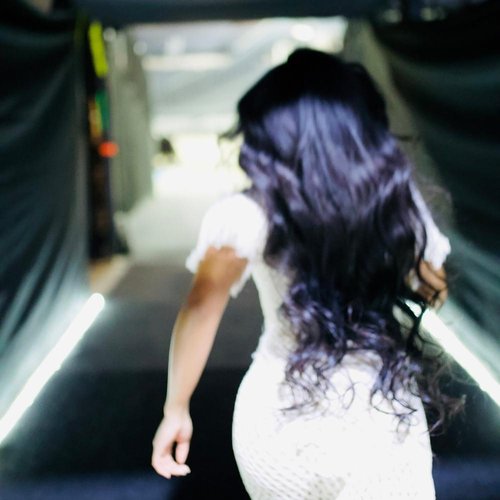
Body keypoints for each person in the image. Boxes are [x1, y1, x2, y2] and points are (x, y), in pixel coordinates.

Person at [151, 48, 463, 498]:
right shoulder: (392, 201)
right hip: (380, 414)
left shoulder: (246, 212)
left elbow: (200, 310)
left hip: (280, 419)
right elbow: (434, 293)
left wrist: (176, 408)